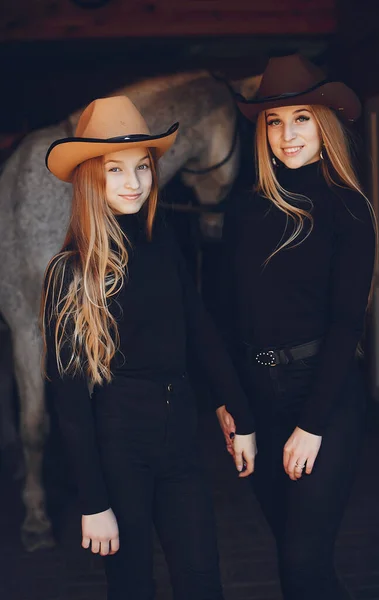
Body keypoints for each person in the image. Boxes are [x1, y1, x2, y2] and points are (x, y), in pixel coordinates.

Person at [41, 95, 256, 600]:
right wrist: (93, 503)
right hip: (119, 447)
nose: (134, 182)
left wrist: (237, 410)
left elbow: (200, 330)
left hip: (180, 436)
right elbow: (69, 404)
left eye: (142, 167)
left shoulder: (164, 243)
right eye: (116, 170)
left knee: (203, 581)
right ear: (89, 177)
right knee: (133, 585)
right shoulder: (70, 273)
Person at [217, 54, 376, 599]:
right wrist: (231, 405)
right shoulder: (243, 210)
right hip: (257, 399)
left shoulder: (348, 209)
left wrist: (311, 425)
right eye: (275, 121)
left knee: (304, 560)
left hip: (323, 398)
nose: (287, 135)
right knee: (293, 555)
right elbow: (223, 314)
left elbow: (345, 324)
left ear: (325, 124)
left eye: (302, 118)